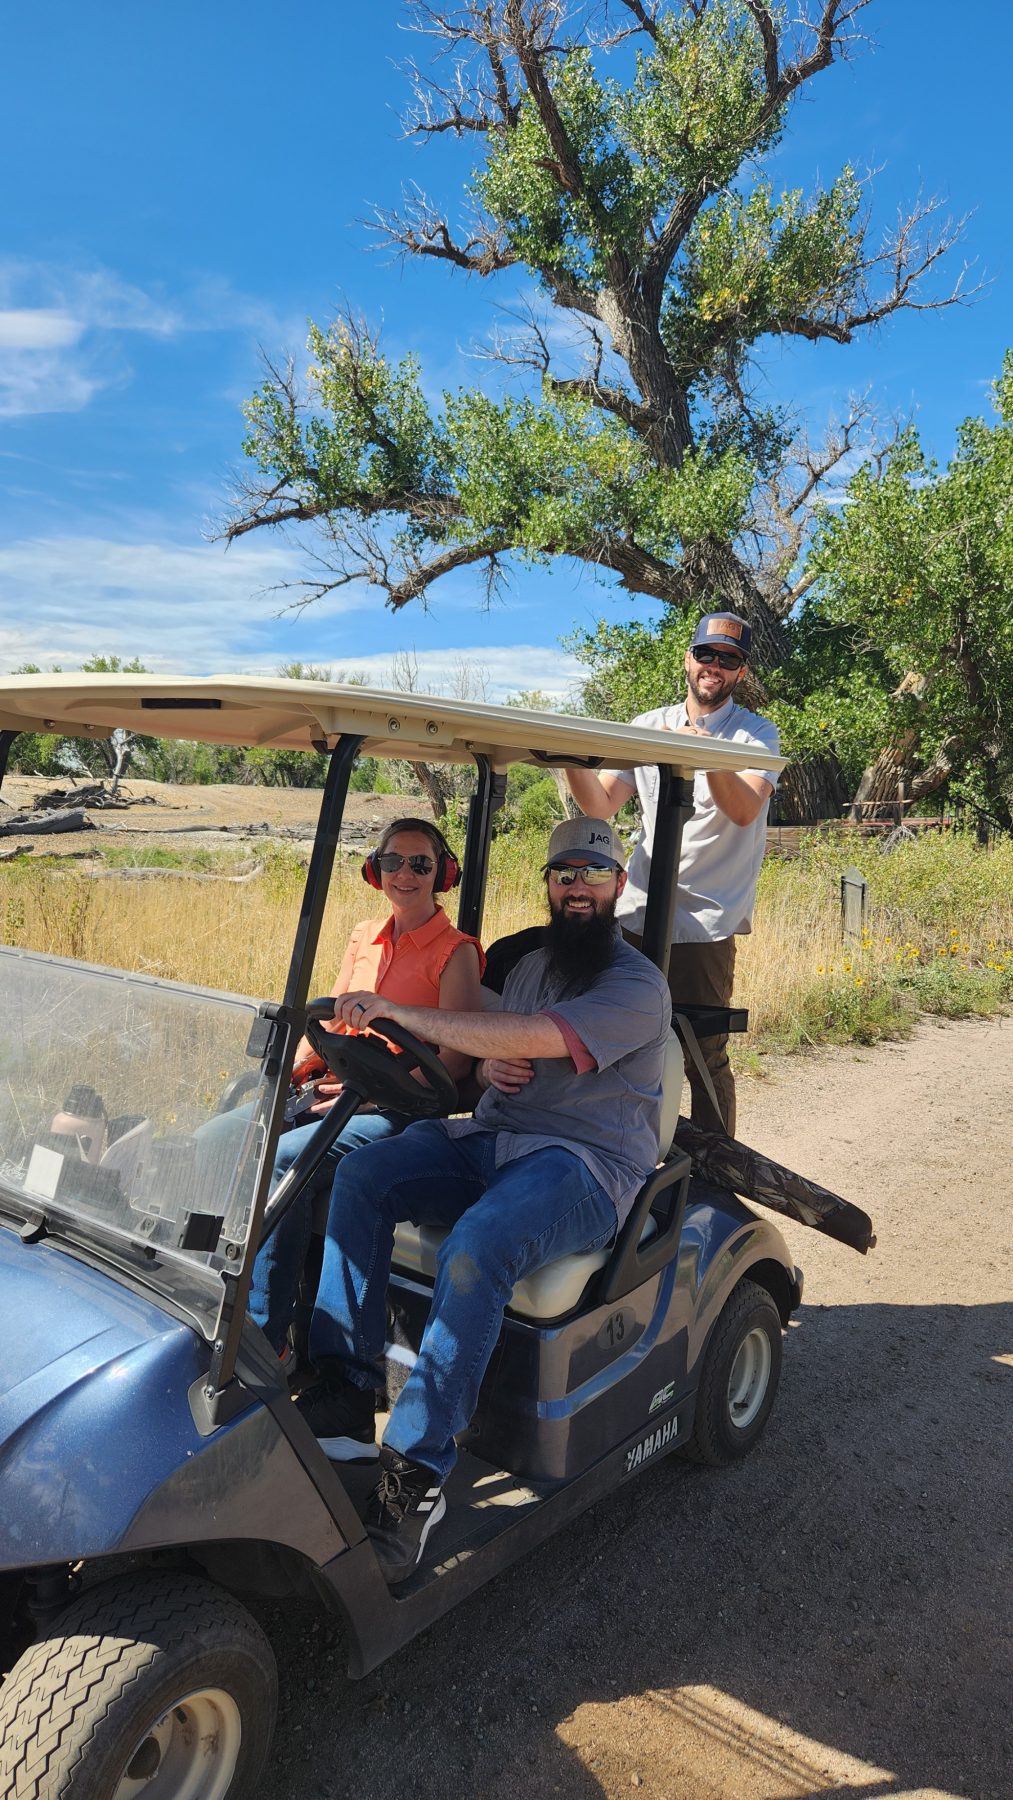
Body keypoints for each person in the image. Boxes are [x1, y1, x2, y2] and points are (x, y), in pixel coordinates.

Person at [295, 817, 672, 1583]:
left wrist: (402, 1012)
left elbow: (534, 1035)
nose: (576, 888)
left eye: (592, 875)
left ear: (617, 887)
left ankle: (416, 1476)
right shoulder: (531, 965)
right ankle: (346, 1386)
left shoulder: (637, 984)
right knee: (362, 1174)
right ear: (549, 884)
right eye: (563, 873)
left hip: (583, 1164)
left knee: (477, 1244)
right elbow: (503, 1038)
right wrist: (494, 1066)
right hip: (498, 1139)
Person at [201, 818, 484, 1353]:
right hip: (338, 1088)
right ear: (375, 871)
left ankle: (264, 1334)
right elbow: (330, 1022)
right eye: (393, 861)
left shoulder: (457, 951)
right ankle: (203, 1287)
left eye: (421, 863)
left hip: (401, 1105)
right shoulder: (363, 935)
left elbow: (456, 1062)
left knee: (283, 1162)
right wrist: (294, 1071)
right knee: (219, 1136)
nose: (406, 873)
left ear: (441, 873)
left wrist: (370, 1096)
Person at [566, 611, 779, 1137]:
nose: (714, 666)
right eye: (706, 654)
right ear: (688, 659)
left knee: (704, 1052)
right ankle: (620, 1149)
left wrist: (700, 752)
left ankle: (717, 1172)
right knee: (618, 1038)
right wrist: (569, 758)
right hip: (637, 911)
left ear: (741, 673)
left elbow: (745, 810)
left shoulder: (755, 734)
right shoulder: (646, 726)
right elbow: (601, 806)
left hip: (706, 921)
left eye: (727, 660)